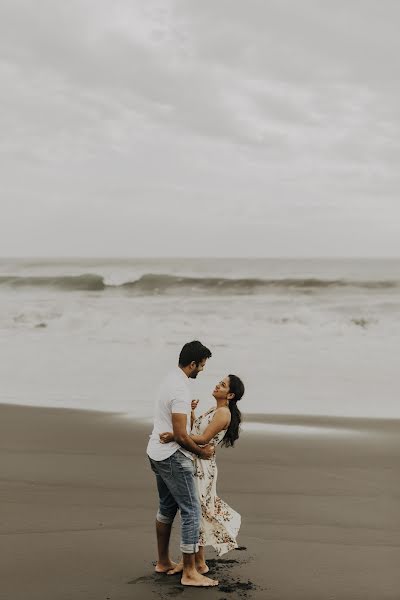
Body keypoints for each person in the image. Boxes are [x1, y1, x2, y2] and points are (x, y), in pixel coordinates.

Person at [146, 341, 219, 588]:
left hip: (156, 452)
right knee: (191, 510)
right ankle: (189, 571)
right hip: (172, 457)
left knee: (166, 508)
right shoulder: (180, 389)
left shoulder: (170, 379)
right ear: (193, 364)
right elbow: (180, 434)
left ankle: (163, 562)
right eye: (202, 365)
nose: (202, 369)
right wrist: (202, 452)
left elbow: (175, 425)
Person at [160, 373, 245, 574]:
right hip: (197, 460)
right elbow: (199, 428)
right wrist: (191, 412)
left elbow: (204, 438)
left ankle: (194, 562)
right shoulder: (215, 410)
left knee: (195, 510)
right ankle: (197, 562)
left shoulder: (223, 413)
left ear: (230, 395)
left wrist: (175, 436)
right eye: (219, 382)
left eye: (222, 385)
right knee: (194, 510)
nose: (217, 385)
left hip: (203, 466)